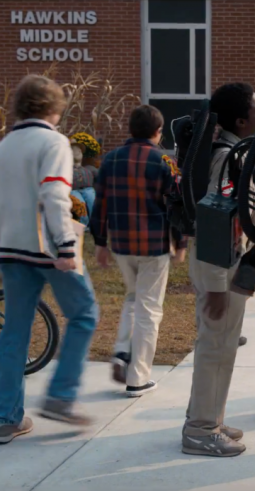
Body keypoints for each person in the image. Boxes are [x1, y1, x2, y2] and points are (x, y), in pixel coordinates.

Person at [0, 74, 99, 444]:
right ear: (55, 108)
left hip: (11, 248)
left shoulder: (2, 148)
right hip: (49, 248)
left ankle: (6, 419)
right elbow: (54, 196)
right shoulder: (54, 143)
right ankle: (61, 397)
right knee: (84, 314)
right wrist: (66, 246)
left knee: (14, 333)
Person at [181, 82, 255, 457]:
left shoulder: (227, 153)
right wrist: (217, 285)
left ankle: (208, 417)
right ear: (241, 121)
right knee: (216, 347)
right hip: (219, 263)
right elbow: (215, 217)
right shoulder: (228, 158)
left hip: (221, 259)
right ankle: (201, 430)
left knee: (219, 345)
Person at [91, 105, 188, 397]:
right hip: (154, 245)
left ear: (130, 130)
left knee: (134, 297)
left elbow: (100, 203)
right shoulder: (165, 161)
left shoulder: (110, 160)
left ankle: (122, 351)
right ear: (158, 132)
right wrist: (180, 242)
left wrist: (99, 242)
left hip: (121, 244)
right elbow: (176, 204)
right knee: (149, 308)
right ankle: (138, 377)